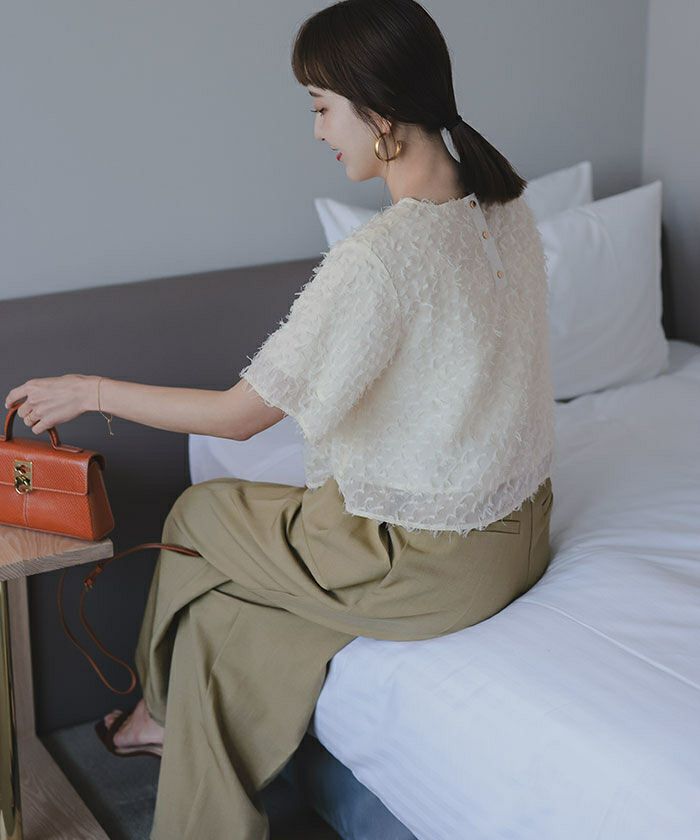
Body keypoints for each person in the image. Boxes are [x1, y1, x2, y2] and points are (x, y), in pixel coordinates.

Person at [3, 1, 555, 837]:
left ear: (379, 112)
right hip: (521, 541)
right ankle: (167, 728)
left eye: (322, 107)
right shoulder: (506, 210)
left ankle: (155, 708)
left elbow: (238, 418)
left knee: (199, 516)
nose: (318, 130)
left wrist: (93, 389)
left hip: (426, 564)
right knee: (224, 619)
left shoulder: (379, 259)